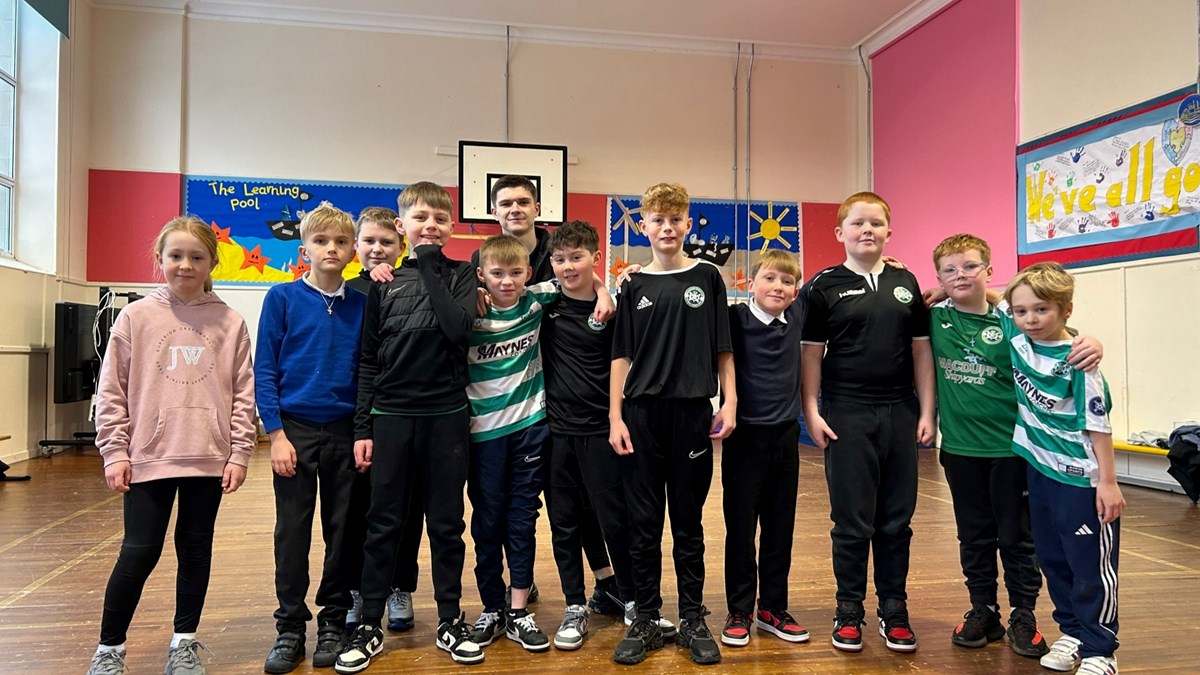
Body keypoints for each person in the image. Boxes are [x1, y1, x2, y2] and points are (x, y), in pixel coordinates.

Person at [87, 216, 255, 675]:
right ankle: (109, 649)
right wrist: (114, 451)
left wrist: (239, 451)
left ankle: (184, 643)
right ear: (159, 259)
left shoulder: (230, 322)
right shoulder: (134, 317)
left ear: (211, 262)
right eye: (176, 255)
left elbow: (244, 393)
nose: (185, 265)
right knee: (139, 551)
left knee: (196, 550)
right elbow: (112, 392)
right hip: (148, 458)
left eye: (196, 257)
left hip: (208, 458)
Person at [929, 234, 1101, 659]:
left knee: (1018, 538)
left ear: (990, 269)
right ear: (937, 277)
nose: (960, 275)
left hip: (1015, 450)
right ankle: (982, 609)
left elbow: (1064, 337)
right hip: (961, 450)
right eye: (949, 270)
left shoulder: (1012, 318)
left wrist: (1092, 344)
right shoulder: (932, 318)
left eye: (970, 266)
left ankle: (1024, 613)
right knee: (973, 535)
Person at [336, 182, 482, 672]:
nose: (431, 226)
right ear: (402, 225)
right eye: (421, 218)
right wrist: (362, 428)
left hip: (446, 417)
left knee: (446, 524)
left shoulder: (463, 275)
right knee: (384, 524)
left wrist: (429, 264)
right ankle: (369, 624)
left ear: (451, 227)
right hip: (391, 419)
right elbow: (368, 362)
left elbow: (457, 329)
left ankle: (449, 619)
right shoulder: (382, 283)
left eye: (441, 219)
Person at [471, 175, 620, 610]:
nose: (514, 209)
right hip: (521, 412)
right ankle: (520, 584)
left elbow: (582, 279)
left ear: (538, 207)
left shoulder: (558, 252)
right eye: (505, 203)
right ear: (494, 211)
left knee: (578, 505)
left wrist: (605, 288)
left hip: (560, 410)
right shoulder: (484, 265)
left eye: (522, 201)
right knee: (515, 507)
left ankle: (606, 579)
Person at [800, 191, 935, 654]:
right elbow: (810, 355)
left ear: (889, 231)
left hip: (900, 413)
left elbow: (922, 349)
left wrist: (927, 411)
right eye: (857, 224)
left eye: (876, 223)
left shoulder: (906, 282)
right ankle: (849, 609)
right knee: (852, 521)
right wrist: (812, 410)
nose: (867, 231)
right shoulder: (823, 287)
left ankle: (894, 609)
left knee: (897, 520)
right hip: (847, 413)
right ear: (840, 233)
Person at [608, 182, 735, 666]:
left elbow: (725, 348)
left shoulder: (707, 277)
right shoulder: (633, 283)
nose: (666, 227)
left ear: (687, 224)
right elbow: (621, 356)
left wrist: (731, 402)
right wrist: (616, 415)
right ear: (644, 226)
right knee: (643, 524)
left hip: (691, 414)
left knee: (688, 523)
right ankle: (645, 619)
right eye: (656, 220)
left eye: (675, 219)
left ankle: (691, 618)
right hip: (641, 416)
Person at [1000, 262, 1123, 675]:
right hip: (1040, 471)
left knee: (1090, 567)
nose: (1030, 319)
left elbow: (1097, 424)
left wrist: (1107, 481)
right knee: (1053, 559)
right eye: (1022, 311)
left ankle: (1100, 649)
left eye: (1042, 310)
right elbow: (988, 294)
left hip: (1081, 480)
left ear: (1066, 310)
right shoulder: (1017, 340)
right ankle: (1071, 631)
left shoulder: (1080, 360)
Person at [256, 202, 364, 674]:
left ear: (353, 251)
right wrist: (276, 434)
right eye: (322, 241)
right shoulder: (280, 299)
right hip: (294, 432)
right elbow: (264, 371)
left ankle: (335, 620)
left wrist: (365, 432)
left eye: (341, 242)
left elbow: (369, 370)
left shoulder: (363, 303)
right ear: (305, 250)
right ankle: (290, 627)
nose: (332, 249)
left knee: (343, 530)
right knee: (293, 531)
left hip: (345, 430)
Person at [539, 221, 635, 651]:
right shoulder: (545, 305)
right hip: (556, 432)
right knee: (564, 523)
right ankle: (575, 605)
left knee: (614, 518)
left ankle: (633, 599)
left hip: (601, 430)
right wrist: (601, 286)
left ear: (595, 257)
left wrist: (607, 290)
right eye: (559, 259)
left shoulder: (614, 311)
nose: (566, 266)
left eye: (576, 257)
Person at [719, 250, 810, 648]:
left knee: (779, 528)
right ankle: (740, 609)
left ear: (796, 291)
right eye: (770, 279)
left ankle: (773, 607)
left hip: (785, 438)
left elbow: (838, 277)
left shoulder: (799, 316)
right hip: (744, 439)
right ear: (750, 283)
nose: (778, 287)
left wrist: (890, 266)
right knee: (741, 528)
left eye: (787, 282)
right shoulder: (733, 319)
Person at [342, 206, 421, 634]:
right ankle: (356, 588)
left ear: (400, 243)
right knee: (360, 511)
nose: (377, 249)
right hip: (358, 417)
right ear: (357, 246)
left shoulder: (413, 285)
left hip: (404, 415)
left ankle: (399, 586)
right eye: (369, 241)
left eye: (386, 242)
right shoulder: (349, 290)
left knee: (407, 509)